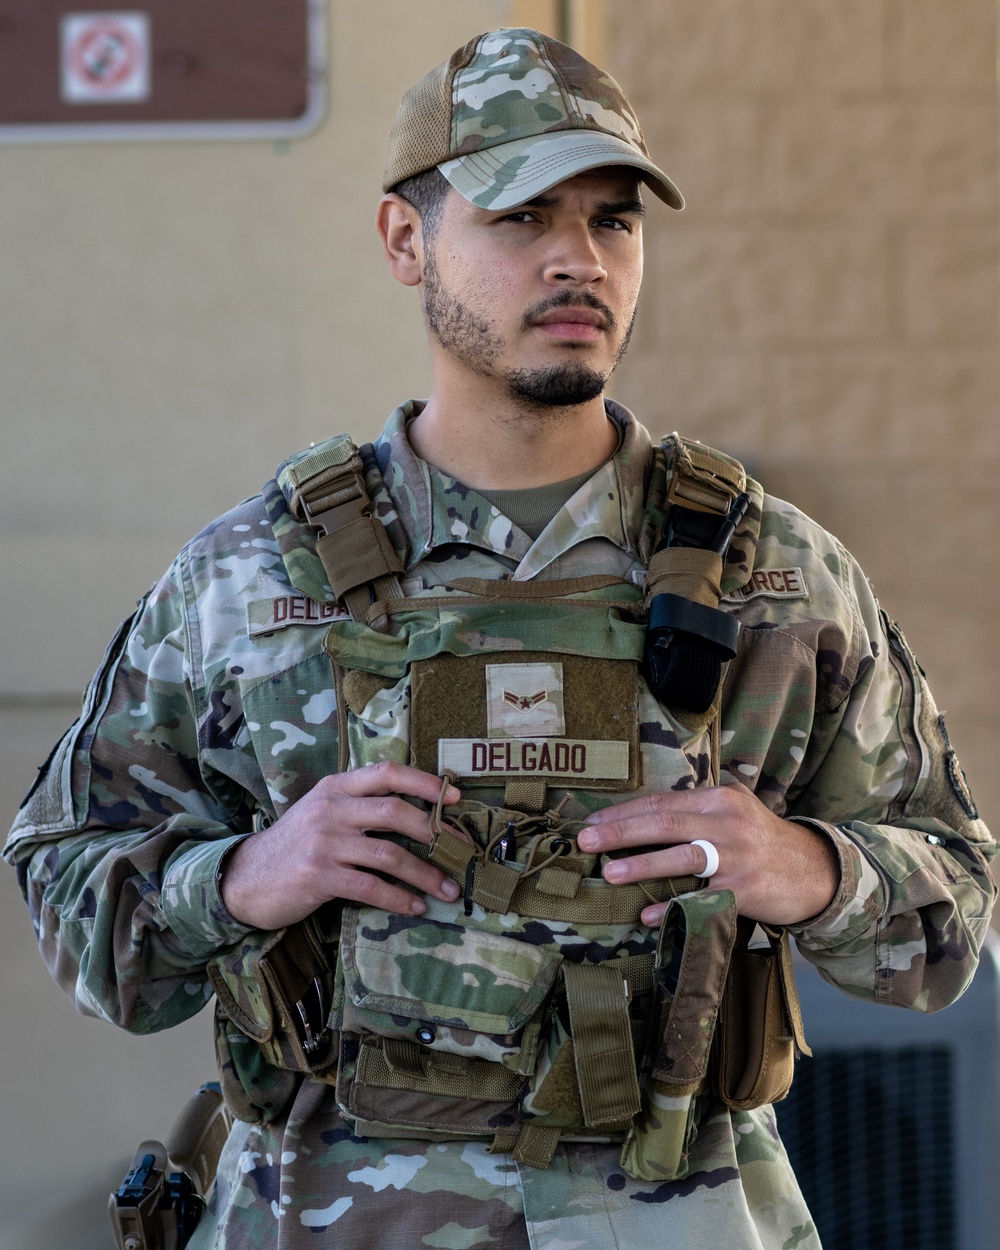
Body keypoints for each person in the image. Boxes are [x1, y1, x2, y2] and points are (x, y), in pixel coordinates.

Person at [5, 27, 995, 1250]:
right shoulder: (248, 578)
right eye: (522, 217)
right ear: (404, 241)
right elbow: (70, 887)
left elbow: (955, 912)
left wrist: (807, 867)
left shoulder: (777, 578)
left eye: (613, 221)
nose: (578, 258)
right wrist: (247, 876)